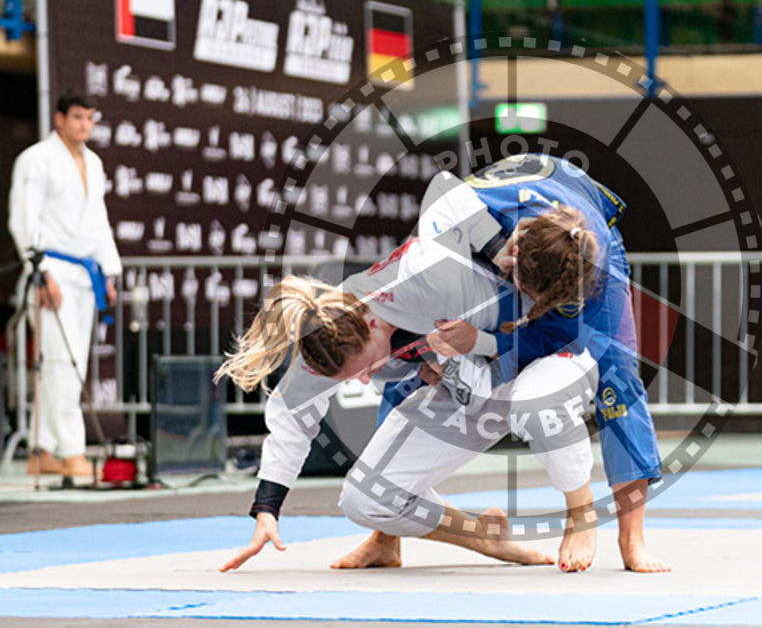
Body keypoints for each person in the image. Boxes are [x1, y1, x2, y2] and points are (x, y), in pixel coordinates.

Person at [217, 172, 604, 572]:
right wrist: (267, 509)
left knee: (535, 404)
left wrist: (496, 248)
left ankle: (580, 513)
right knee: (365, 499)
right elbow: (291, 416)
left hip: (547, 351)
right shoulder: (328, 335)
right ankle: (482, 537)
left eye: (363, 369)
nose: (364, 380)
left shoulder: (428, 276)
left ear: (371, 323)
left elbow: (445, 187)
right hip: (477, 386)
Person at [375, 154, 669, 573]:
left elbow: (553, 338)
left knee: (617, 374)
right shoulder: (466, 218)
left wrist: (486, 341)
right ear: (511, 252)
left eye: (537, 300)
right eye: (524, 292)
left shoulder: (595, 270)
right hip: (493, 228)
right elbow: (440, 193)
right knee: (415, 331)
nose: (526, 304)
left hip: (580, 236)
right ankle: (384, 537)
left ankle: (629, 536)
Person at [8, 91, 121, 478]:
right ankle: (71, 450)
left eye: (90, 118)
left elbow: (99, 222)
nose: (84, 125)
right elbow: (24, 218)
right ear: (59, 119)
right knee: (60, 362)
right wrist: (40, 273)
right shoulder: (36, 159)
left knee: (65, 363)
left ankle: (42, 450)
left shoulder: (95, 162)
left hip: (84, 273)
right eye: (77, 117)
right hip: (51, 271)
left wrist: (108, 272)